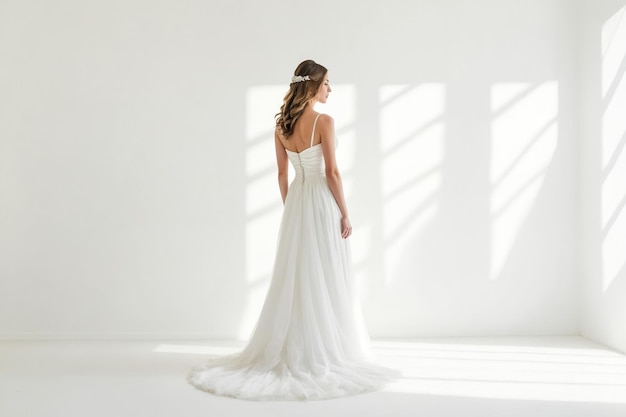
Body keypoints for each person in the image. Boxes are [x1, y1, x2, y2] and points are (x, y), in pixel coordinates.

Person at [188, 59, 396, 401]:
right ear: (313, 86)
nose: (330, 89)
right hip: (321, 202)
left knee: (298, 275)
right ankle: (326, 349)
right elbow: (332, 173)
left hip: (298, 202)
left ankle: (294, 345)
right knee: (326, 272)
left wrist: (292, 209)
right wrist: (344, 213)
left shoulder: (281, 126)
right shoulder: (324, 121)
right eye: (327, 83)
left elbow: (282, 176)